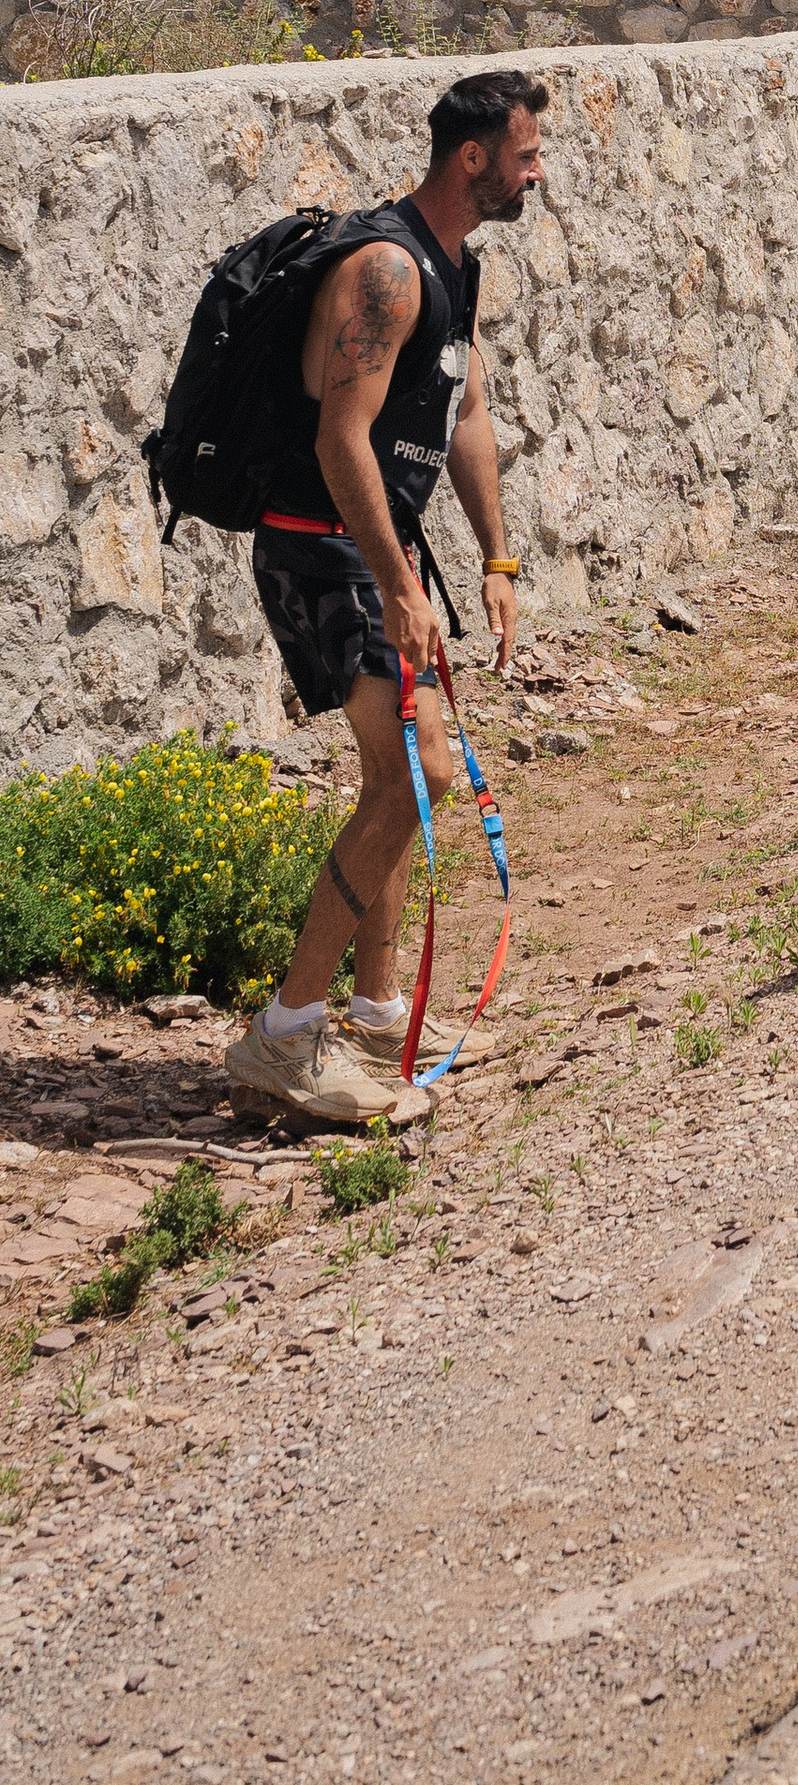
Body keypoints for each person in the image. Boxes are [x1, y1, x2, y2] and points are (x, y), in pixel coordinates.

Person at [224, 69, 548, 1129]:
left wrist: (496, 560)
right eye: (526, 154)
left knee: (401, 776)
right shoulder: (387, 271)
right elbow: (339, 439)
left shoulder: (456, 267)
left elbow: (466, 415)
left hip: (371, 552)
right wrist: (403, 586)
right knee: (421, 776)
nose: (537, 171)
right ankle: (283, 1036)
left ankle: (374, 1014)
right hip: (322, 549)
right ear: (473, 158)